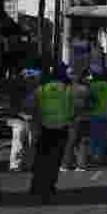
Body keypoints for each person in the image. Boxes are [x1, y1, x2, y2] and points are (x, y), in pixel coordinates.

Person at [30, 63, 74, 203]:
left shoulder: (41, 89)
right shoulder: (67, 89)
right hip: (61, 128)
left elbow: (32, 107)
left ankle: (36, 186)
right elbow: (72, 109)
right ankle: (49, 186)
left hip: (44, 128)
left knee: (41, 158)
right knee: (55, 160)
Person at [62, 69, 92, 171]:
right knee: (82, 142)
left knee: (69, 143)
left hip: (71, 119)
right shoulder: (86, 89)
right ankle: (81, 165)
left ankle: (66, 165)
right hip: (84, 118)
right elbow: (91, 103)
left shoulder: (67, 89)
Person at [88, 68, 107, 165]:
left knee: (93, 136)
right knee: (103, 137)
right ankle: (101, 157)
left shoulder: (91, 86)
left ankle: (92, 155)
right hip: (104, 114)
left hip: (93, 114)